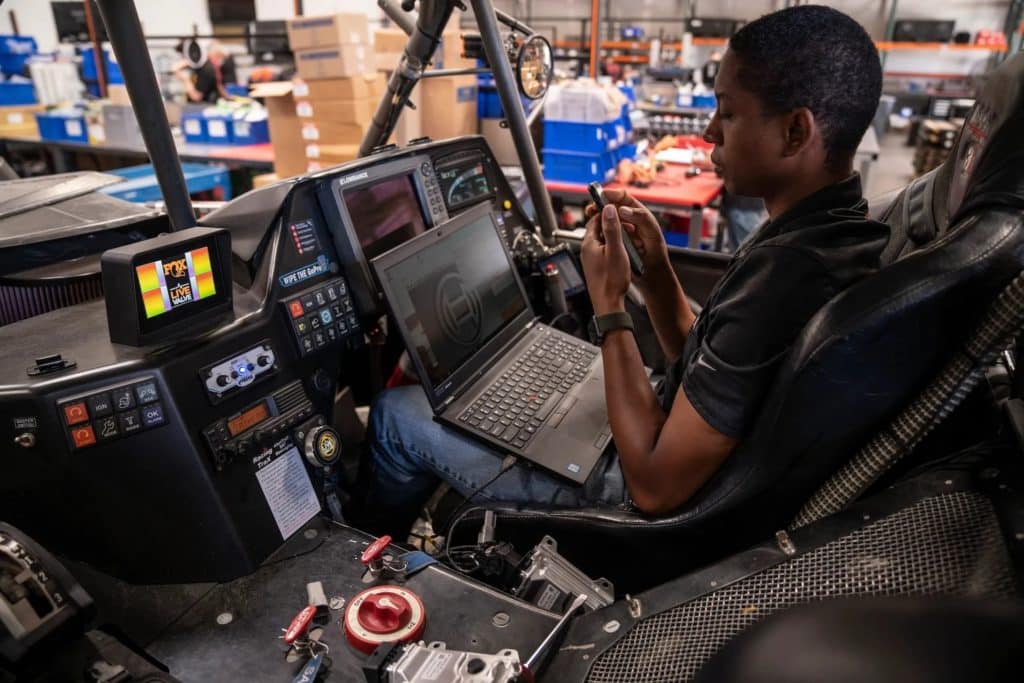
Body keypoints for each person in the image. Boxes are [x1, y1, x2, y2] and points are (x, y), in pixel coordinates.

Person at [354, 5, 891, 535]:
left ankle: (374, 569)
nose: (708, 132)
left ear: (796, 132)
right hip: (671, 427)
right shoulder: (827, 232)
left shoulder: (787, 280)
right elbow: (706, 365)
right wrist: (654, 274)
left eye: (727, 113)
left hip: (634, 494)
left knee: (397, 416)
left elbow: (653, 489)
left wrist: (610, 306)